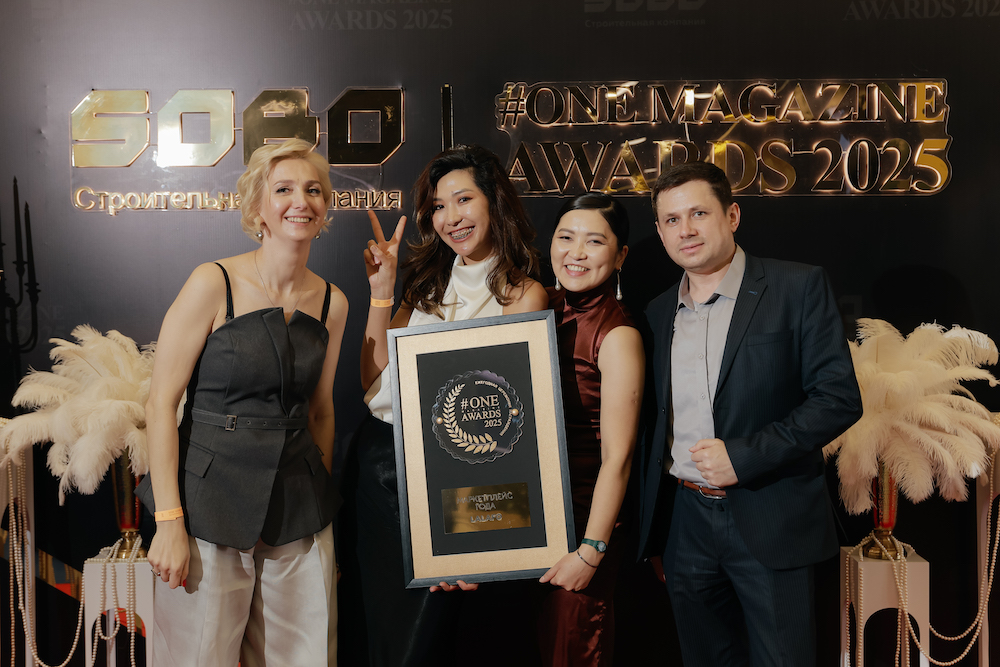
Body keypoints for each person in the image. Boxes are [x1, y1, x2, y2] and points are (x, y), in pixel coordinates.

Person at [636, 161, 862, 666]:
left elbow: (838, 398)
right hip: (684, 523)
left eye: (699, 213)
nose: (686, 229)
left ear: (732, 215)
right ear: (660, 231)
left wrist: (745, 456)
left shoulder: (797, 287)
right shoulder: (656, 312)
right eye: (672, 219)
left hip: (770, 516)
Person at [138, 139, 347, 666]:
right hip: (208, 510)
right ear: (257, 208)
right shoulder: (214, 282)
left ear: (325, 207)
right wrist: (169, 521)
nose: (301, 201)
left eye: (313, 190)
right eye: (284, 189)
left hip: (299, 512)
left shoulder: (333, 301)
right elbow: (161, 404)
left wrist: (318, 505)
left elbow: (320, 411)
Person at [349, 144, 547, 666]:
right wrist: (383, 290)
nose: (451, 217)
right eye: (438, 206)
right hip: (385, 476)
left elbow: (504, 425)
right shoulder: (424, 285)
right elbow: (373, 384)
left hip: (461, 481)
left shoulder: (523, 295)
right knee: (390, 639)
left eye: (463, 199)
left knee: (446, 640)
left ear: (494, 202)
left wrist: (471, 535)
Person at [538, 193, 644, 665]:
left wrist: (591, 551)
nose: (575, 252)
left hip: (585, 521)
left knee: (572, 648)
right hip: (534, 516)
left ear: (620, 256)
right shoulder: (539, 306)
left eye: (594, 241)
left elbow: (618, 458)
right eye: (565, 237)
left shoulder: (618, 334)